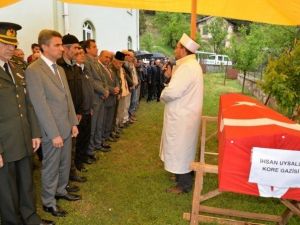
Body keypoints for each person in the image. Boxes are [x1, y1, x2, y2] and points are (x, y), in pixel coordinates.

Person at [0, 22, 54, 225]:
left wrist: (35, 133)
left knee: (26, 183)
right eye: (4, 43)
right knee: (6, 190)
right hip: (4, 143)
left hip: (23, 139)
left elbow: (28, 105)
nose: (10, 48)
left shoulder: (17, 68)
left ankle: (30, 218)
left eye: (12, 44)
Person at [25, 29, 79, 217]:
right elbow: (39, 105)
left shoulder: (60, 69)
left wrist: (73, 122)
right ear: (44, 47)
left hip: (65, 126)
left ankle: (61, 190)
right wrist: (53, 133)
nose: (61, 49)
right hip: (51, 130)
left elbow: (67, 98)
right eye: (57, 45)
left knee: (64, 162)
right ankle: (48, 201)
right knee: (51, 166)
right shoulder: (33, 70)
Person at [160, 33, 203, 194]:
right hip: (185, 114)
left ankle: (183, 184)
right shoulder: (189, 65)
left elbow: (173, 91)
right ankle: (181, 176)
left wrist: (163, 92)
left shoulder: (187, 67)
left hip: (182, 116)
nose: (175, 49)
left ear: (184, 50)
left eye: (178, 46)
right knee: (183, 148)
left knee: (180, 148)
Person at [57, 34, 87, 184]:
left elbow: (78, 91)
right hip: (63, 115)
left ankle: (71, 171)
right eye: (75, 48)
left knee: (73, 146)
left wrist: (80, 111)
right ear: (66, 48)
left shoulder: (75, 68)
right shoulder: (59, 67)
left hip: (76, 113)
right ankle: (64, 177)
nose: (78, 51)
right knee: (64, 149)